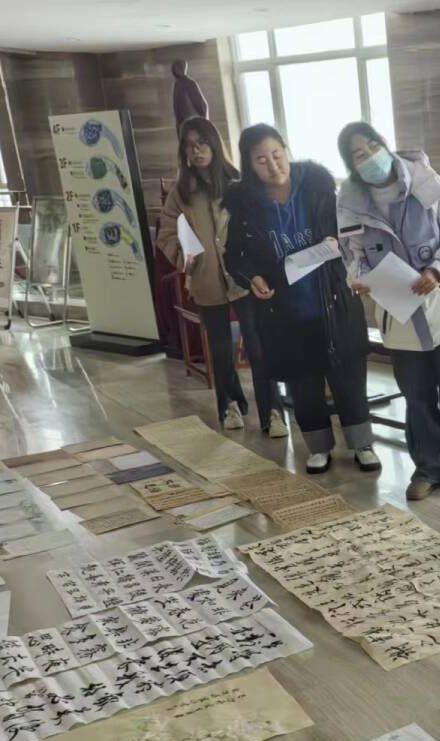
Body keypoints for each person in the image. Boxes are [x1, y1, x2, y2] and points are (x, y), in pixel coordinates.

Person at [336, 122, 440, 500]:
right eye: (359, 154)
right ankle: (427, 468)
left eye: (373, 146)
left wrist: (438, 269)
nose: (370, 157)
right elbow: (351, 255)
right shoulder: (349, 203)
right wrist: (359, 279)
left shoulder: (428, 182)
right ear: (351, 165)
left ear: (385, 145)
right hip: (399, 315)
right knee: (417, 397)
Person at [223, 124, 380, 473]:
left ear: (286, 150)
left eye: (276, 155)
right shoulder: (245, 205)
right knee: (303, 384)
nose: (273, 165)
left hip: (332, 300)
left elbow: (350, 230)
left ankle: (362, 444)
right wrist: (253, 278)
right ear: (250, 165)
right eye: (261, 160)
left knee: (349, 378)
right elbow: (234, 256)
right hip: (285, 311)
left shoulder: (318, 186)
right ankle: (318, 446)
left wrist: (338, 242)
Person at [157, 117, 287, 438]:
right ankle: (229, 405)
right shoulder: (181, 192)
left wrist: (260, 266)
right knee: (220, 350)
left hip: (245, 278)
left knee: (259, 346)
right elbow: (166, 232)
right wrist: (186, 259)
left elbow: (262, 226)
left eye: (202, 142)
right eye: (189, 145)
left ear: (214, 144)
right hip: (207, 281)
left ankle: (273, 411)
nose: (197, 150)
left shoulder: (238, 184)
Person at [171, 60, 209, 130]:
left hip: (193, 123)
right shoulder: (177, 85)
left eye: (179, 68)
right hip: (185, 124)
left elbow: (202, 105)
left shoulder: (189, 83)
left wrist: (204, 124)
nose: (176, 70)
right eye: (175, 68)